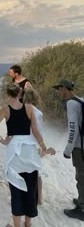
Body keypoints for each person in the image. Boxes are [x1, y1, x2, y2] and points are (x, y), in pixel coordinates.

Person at [0, 82, 52, 227]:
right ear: (20, 94)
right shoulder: (29, 108)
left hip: (14, 153)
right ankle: (28, 224)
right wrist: (44, 147)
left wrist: (3, 141)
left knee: (16, 190)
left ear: (7, 94)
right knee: (31, 188)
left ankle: (17, 225)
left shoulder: (5, 109)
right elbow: (35, 132)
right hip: (29, 153)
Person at [52, 79, 84, 221]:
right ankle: (82, 200)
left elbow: (73, 128)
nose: (59, 92)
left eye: (59, 89)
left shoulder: (71, 104)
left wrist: (68, 149)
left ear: (65, 88)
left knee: (81, 177)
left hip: (80, 147)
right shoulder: (80, 100)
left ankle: (81, 208)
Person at [23, 89, 56, 205]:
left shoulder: (18, 110)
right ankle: (39, 199)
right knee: (36, 173)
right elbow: (38, 131)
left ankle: (24, 197)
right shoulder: (38, 113)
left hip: (22, 146)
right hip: (34, 145)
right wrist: (43, 147)